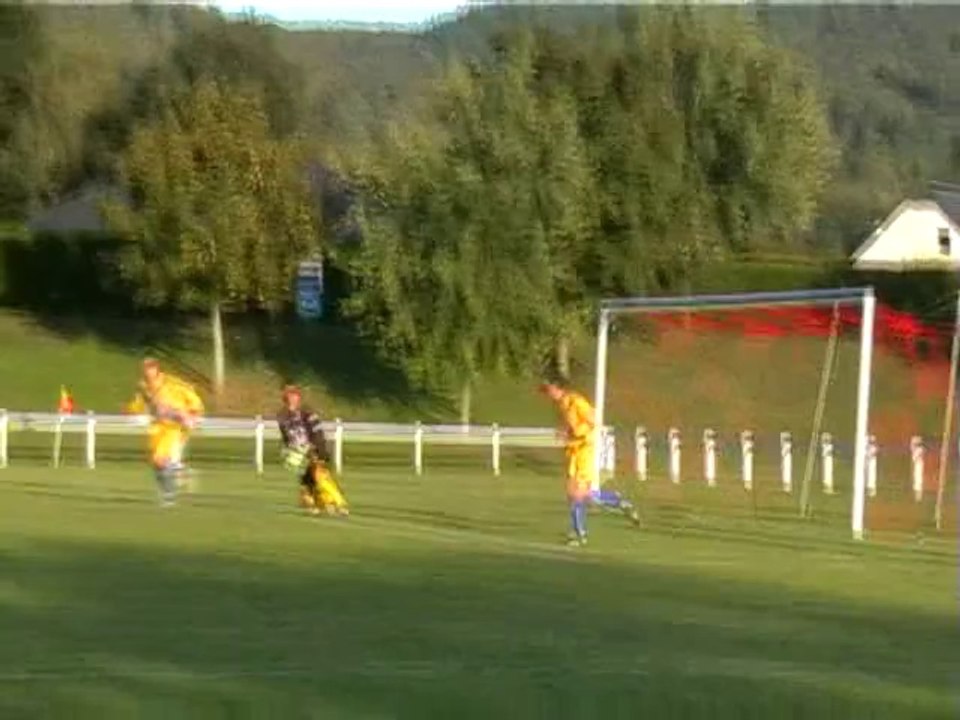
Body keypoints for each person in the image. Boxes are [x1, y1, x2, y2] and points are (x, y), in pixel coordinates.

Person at [540, 379, 639, 546]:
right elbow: (571, 427)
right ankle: (618, 502)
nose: (547, 394)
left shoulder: (576, 401)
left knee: (577, 493)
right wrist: (566, 433)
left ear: (557, 387)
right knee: (579, 494)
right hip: (573, 452)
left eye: (548, 389)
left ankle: (580, 534)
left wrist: (575, 434)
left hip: (585, 451)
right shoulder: (562, 405)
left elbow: (593, 422)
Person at [126, 358, 204, 506]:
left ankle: (169, 495)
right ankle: (177, 477)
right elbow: (139, 404)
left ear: (157, 369)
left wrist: (192, 413)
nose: (147, 372)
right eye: (145, 369)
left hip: (174, 427)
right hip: (157, 428)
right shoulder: (143, 386)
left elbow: (192, 397)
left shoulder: (171, 383)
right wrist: (132, 409)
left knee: (160, 460)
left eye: (150, 368)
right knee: (156, 463)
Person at [276, 385, 349, 517]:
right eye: (290, 396)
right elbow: (286, 436)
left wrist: (318, 449)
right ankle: (317, 505)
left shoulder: (307, 413)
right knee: (307, 481)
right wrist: (287, 449)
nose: (293, 399)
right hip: (299, 453)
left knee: (320, 477)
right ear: (285, 398)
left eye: (295, 396)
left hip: (313, 449)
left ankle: (339, 503)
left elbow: (318, 433)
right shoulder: (282, 417)